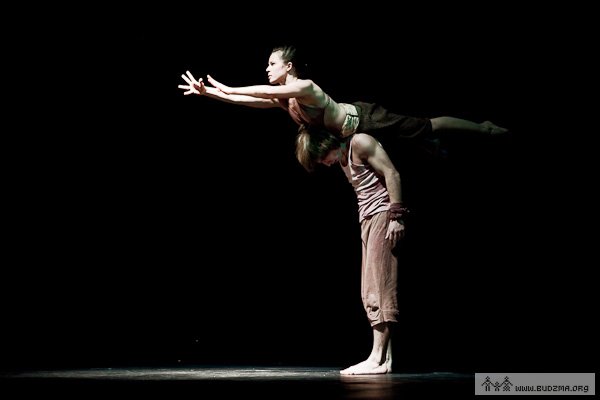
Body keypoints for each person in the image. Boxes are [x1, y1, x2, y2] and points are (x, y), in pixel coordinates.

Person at [178, 45, 508, 155]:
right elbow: (252, 102)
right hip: (353, 138)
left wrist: (225, 86)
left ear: (288, 66)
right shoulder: (287, 100)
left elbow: (262, 92)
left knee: (426, 125)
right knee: (415, 141)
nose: (267, 68)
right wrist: (211, 94)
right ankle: (431, 144)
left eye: (272, 63)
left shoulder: (305, 87)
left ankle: (483, 127)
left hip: (367, 119)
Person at [295, 124, 407, 375]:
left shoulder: (360, 143)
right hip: (366, 219)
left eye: (321, 158)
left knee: (379, 287)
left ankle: (376, 358)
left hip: (383, 215)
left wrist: (396, 215)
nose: (324, 164)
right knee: (368, 288)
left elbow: (392, 173)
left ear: (324, 144)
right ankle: (386, 359)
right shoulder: (344, 156)